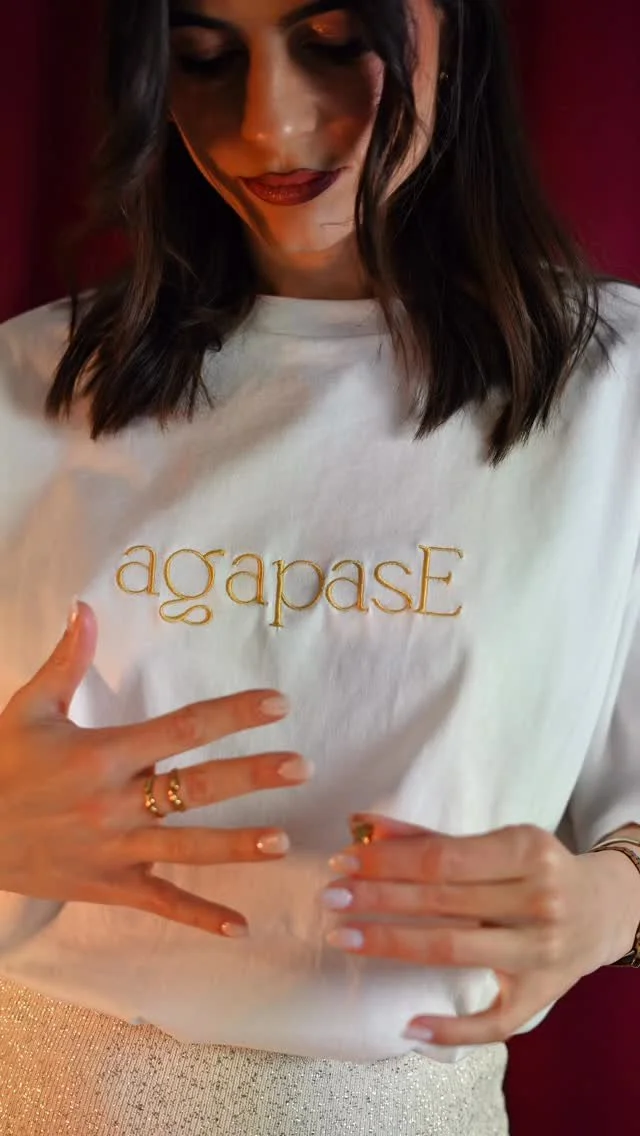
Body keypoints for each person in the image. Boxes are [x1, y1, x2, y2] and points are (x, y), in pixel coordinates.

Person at [1, 0, 639, 1132]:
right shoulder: (26, 383)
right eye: (204, 60)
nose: (269, 125)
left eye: (338, 44)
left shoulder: (612, 395)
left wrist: (610, 905)